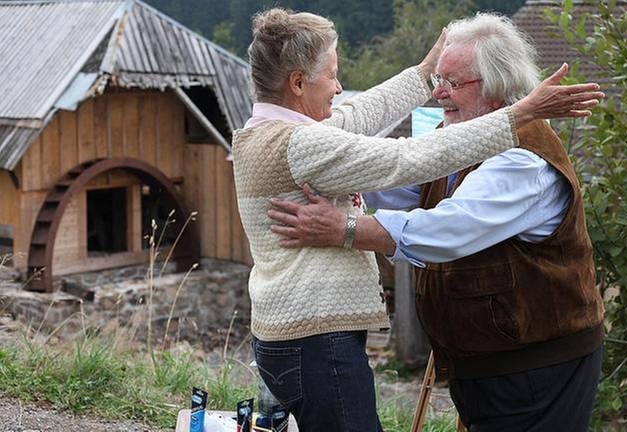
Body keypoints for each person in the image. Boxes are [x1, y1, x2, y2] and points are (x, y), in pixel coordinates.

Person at [236, 8, 603, 432]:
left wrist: (346, 228)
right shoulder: (300, 141)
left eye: (452, 82)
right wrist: (506, 109)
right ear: (297, 83)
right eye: (439, 82)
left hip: (537, 364)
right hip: (469, 357)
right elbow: (390, 159)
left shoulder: (524, 160)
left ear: (497, 88)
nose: (439, 94)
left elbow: (445, 229)